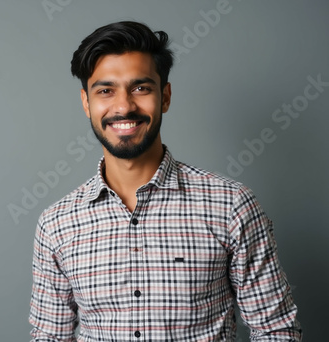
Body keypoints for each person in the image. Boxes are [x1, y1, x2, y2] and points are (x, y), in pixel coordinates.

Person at [29, 21, 302, 341]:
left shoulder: (231, 205)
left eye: (141, 88)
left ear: (166, 96)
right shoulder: (56, 224)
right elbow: (50, 338)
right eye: (105, 91)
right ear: (87, 103)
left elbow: (276, 330)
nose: (123, 106)